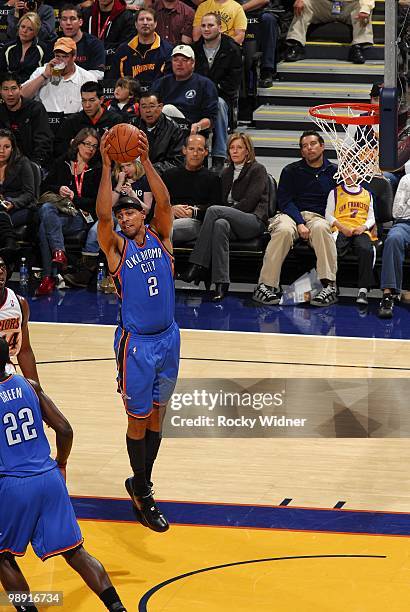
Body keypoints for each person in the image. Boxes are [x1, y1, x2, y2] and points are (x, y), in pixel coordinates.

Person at [0, 337, 127, 612]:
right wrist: (61, 463)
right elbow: (65, 429)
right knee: (76, 552)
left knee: (3, 557)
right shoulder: (29, 386)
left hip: (14, 484)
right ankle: (117, 608)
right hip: (49, 478)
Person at [96, 130, 179, 532]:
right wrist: (109, 166)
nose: (125, 216)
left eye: (131, 211)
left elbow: (164, 200)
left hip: (169, 339)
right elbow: (101, 216)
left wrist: (145, 163)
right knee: (138, 419)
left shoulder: (163, 239)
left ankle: (140, 483)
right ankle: (144, 492)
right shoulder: (117, 249)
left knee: (159, 415)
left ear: (142, 214)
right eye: (121, 212)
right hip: (137, 346)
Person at [253, 130, 338, 307]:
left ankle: (328, 285)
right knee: (283, 230)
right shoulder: (290, 170)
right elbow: (285, 200)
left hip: (318, 217)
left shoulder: (335, 172)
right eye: (304, 146)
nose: (309, 148)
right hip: (290, 215)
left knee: (322, 228)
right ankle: (266, 285)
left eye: (313, 144)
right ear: (301, 151)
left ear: (322, 146)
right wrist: (299, 222)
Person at [183, 132, 268, 301]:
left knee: (215, 211)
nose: (235, 151)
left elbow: (249, 203)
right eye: (232, 148)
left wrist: (227, 210)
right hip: (231, 221)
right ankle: (221, 283)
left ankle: (198, 264)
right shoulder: (226, 172)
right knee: (220, 224)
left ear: (247, 151)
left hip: (253, 221)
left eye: (239, 148)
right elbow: (222, 201)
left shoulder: (257, 169)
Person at [64, 158, 152, 288]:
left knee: (118, 232)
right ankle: (86, 272)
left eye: (128, 165)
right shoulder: (116, 180)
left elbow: (147, 209)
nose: (125, 169)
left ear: (137, 165)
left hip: (134, 217)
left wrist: (132, 193)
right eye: (122, 167)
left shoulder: (144, 181)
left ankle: (118, 275)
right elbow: (110, 205)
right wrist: (119, 184)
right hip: (115, 214)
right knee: (95, 232)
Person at [36, 128, 102, 296]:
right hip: (59, 213)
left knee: (45, 226)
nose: (90, 149)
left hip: (81, 216)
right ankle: (59, 255)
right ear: (77, 144)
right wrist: (59, 188)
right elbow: (44, 188)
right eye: (87, 144)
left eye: (94, 146)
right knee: (46, 209)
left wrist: (75, 198)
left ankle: (48, 277)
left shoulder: (98, 169)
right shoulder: (62, 163)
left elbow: (97, 202)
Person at [192, 12, 242, 171]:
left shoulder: (232, 49)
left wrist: (210, 89)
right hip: (197, 97)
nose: (206, 29)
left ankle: (219, 157)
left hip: (223, 97)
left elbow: (233, 83)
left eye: (210, 25)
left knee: (218, 104)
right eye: (204, 26)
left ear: (220, 28)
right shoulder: (194, 49)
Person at [325, 174, 377, 305]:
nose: (349, 175)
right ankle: (331, 285)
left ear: (359, 174)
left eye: (352, 171)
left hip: (360, 230)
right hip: (341, 229)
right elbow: (328, 215)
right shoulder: (335, 192)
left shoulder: (367, 194)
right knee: (333, 249)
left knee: (367, 250)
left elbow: (372, 217)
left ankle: (363, 290)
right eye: (346, 171)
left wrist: (363, 227)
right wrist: (342, 227)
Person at [163, 133, 221, 243]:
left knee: (166, 230)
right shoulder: (169, 175)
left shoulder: (213, 178)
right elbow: (159, 203)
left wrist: (193, 212)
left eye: (199, 149)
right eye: (191, 149)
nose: (195, 153)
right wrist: (171, 209)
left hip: (195, 221)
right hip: (169, 217)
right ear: (184, 150)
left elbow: (216, 209)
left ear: (206, 152)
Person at [151, 45, 219, 140]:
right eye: (176, 60)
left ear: (193, 63)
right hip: (163, 130)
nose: (179, 63)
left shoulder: (205, 84)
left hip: (192, 132)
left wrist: (198, 126)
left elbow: (210, 118)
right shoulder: (161, 82)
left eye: (184, 60)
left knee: (168, 109)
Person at [21, 37, 97, 114]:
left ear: (74, 57)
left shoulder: (87, 77)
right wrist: (44, 76)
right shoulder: (42, 72)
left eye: (65, 56)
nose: (60, 60)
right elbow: (22, 96)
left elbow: (93, 108)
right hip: (46, 121)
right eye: (57, 56)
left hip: (74, 122)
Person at [284, 0, 374, 64]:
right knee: (304, 3)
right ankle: (296, 44)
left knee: (363, 8)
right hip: (324, 5)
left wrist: (365, 8)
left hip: (348, 5)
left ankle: (358, 47)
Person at [0, 72, 53, 175]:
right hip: (6, 163)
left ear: (20, 88)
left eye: (13, 88)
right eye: (5, 89)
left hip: (32, 162)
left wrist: (33, 166)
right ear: (0, 91)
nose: (10, 94)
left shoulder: (35, 109)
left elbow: (43, 141)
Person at [53, 81, 122, 158]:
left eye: (92, 100)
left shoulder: (115, 120)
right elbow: (59, 149)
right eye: (84, 100)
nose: (87, 105)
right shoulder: (72, 121)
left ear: (101, 100)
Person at [110, 7, 172, 91]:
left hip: (157, 98)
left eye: (149, 19)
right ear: (135, 24)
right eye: (141, 19)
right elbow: (114, 80)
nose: (145, 23)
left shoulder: (167, 50)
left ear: (155, 24)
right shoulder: (123, 50)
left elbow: (168, 81)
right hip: (129, 98)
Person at [0, 256, 39, 382]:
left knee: (35, 395)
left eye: (2, 267)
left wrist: (35, 389)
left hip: (6, 373)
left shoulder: (19, 303)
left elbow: (24, 350)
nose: (0, 271)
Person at [377, 174, 410, 319]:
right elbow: (397, 212)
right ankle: (388, 295)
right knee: (393, 238)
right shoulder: (407, 180)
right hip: (405, 224)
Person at [133, 90, 185, 174]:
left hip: (161, 176)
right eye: (144, 106)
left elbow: (177, 162)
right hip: (134, 174)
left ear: (160, 107)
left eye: (151, 106)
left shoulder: (173, 129)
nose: (147, 110)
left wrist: (148, 169)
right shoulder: (132, 125)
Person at [0, 128, 36, 232]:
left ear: (12, 148)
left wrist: (13, 202)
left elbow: (29, 194)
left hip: (20, 208)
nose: (1, 151)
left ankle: (9, 243)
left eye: (6, 147)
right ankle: (9, 244)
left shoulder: (22, 163)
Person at [59, 3, 106, 80]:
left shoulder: (95, 44)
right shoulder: (54, 44)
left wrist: (72, 78)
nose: (68, 23)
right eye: (64, 19)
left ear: (80, 22)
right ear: (60, 23)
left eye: (72, 19)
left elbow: (98, 74)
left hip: (85, 88)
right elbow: (49, 71)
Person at [0, 12, 48, 82]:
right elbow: (2, 73)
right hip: (11, 89)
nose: (24, 31)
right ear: (18, 27)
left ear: (36, 32)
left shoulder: (42, 48)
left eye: (30, 29)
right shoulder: (7, 47)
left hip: (34, 88)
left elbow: (45, 73)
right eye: (22, 27)